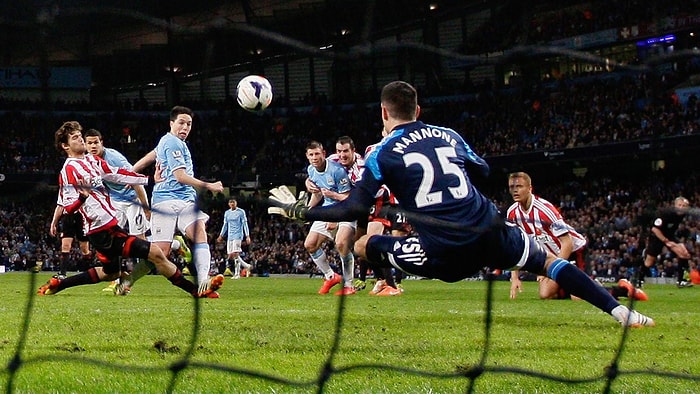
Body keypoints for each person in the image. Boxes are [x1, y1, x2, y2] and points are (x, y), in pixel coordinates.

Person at [269, 80, 654, 327]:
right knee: (551, 263)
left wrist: (302, 211)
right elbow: (483, 169)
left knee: (363, 244)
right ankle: (623, 314)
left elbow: (353, 209)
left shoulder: (379, 153)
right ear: (418, 111)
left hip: (444, 250)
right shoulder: (448, 134)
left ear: (384, 113)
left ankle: (387, 283)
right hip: (487, 227)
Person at [38, 121, 218, 298]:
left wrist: (149, 179)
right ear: (65, 145)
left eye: (80, 136)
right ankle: (195, 290)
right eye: (75, 138)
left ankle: (60, 284)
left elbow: (119, 174)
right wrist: (82, 198)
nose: (81, 140)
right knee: (155, 253)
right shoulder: (68, 171)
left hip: (110, 225)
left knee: (111, 272)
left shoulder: (92, 160)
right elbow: (68, 207)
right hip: (101, 231)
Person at [131, 106, 225, 297]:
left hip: (185, 200)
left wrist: (132, 175)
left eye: (189, 124)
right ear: (171, 123)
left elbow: (142, 163)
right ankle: (126, 280)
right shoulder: (172, 142)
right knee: (161, 252)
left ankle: (204, 280)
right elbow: (180, 176)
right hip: (165, 201)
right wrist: (210, 185)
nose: (185, 127)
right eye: (181, 122)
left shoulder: (167, 142)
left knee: (199, 233)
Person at [83, 128, 153, 293]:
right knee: (111, 240)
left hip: (133, 200)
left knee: (140, 241)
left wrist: (145, 207)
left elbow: (134, 179)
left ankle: (176, 244)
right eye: (90, 143)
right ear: (85, 145)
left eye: (96, 142)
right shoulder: (87, 161)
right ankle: (117, 279)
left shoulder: (114, 158)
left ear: (102, 142)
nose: (93, 146)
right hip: (115, 201)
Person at [301, 140, 356, 295]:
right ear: (307, 156)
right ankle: (331, 276)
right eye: (311, 154)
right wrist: (308, 211)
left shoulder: (337, 171)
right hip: (327, 208)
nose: (314, 157)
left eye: (317, 153)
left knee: (341, 243)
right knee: (310, 244)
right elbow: (318, 194)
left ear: (323, 154)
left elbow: (347, 197)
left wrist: (334, 218)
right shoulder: (311, 170)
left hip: (346, 210)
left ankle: (349, 285)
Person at [641, 196, 693, 288]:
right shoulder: (665, 213)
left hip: (669, 235)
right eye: (679, 205)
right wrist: (666, 241)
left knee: (684, 253)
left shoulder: (683, 214)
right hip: (657, 236)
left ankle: (682, 280)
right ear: (675, 205)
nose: (681, 207)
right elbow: (655, 229)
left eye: (684, 206)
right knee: (649, 263)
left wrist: (670, 240)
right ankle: (639, 279)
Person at [49, 209, 92, 277]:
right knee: (65, 246)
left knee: (84, 249)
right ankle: (62, 273)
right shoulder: (62, 197)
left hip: (81, 216)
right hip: (68, 217)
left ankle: (89, 270)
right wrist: (53, 223)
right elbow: (59, 207)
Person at [216, 197, 252, 279]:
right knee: (231, 255)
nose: (232, 204)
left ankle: (237, 273)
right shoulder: (227, 213)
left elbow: (245, 224)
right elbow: (225, 225)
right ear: (229, 204)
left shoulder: (241, 212)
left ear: (236, 203)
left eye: (233, 202)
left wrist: (247, 236)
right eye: (230, 202)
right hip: (230, 235)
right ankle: (246, 265)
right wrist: (221, 235)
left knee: (236, 253)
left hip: (238, 235)